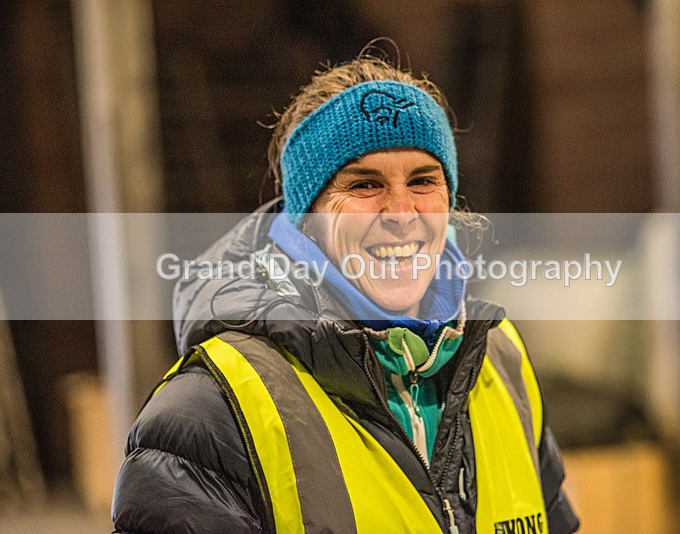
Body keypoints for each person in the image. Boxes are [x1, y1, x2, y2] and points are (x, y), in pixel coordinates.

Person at [112, 48, 579, 534]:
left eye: (423, 180)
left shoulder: (500, 363)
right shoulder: (209, 414)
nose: (401, 213)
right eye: (364, 185)